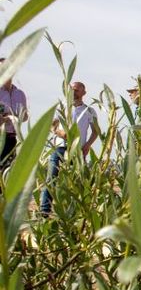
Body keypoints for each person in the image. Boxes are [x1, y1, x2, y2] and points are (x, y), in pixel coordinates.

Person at [40, 81, 100, 215]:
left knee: (82, 181)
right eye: (72, 89)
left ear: (84, 93)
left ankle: (81, 212)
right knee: (51, 178)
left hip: (77, 150)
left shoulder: (89, 111)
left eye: (77, 90)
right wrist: (60, 132)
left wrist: (88, 145)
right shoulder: (62, 107)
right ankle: (44, 212)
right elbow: (52, 125)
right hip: (60, 147)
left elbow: (96, 131)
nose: (74, 92)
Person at [0, 58, 28, 170]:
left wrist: (17, 117)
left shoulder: (20, 94)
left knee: (7, 172)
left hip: (12, 139)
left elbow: (25, 116)